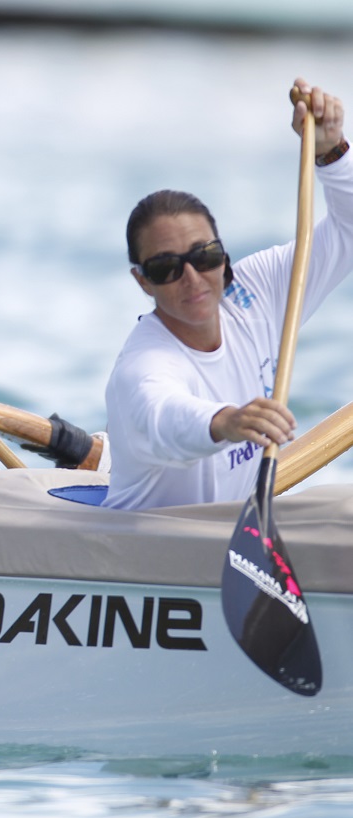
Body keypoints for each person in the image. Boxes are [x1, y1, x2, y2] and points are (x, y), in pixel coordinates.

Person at [103, 78, 352, 510]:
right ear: (142, 281)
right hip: (146, 547)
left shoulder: (259, 290)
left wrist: (331, 153)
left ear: (224, 255)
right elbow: (164, 416)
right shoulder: (144, 367)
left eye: (205, 256)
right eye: (166, 267)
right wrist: (227, 421)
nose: (193, 278)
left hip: (230, 524)